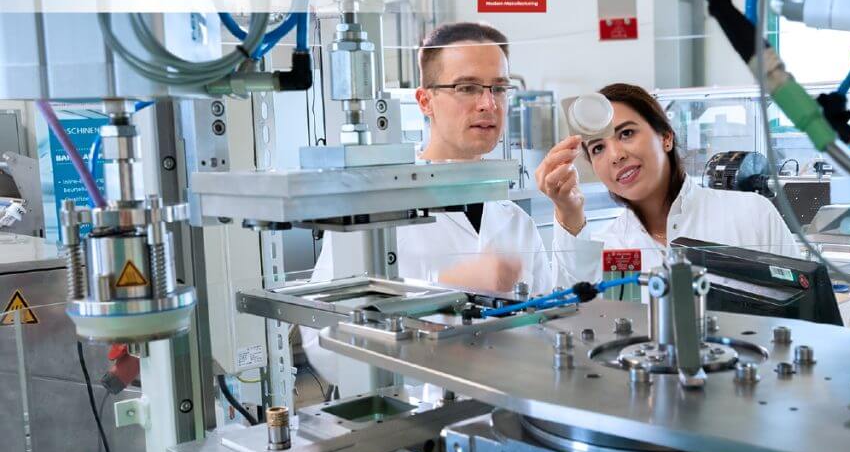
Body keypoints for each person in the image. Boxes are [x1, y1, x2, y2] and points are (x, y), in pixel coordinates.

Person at [303, 23, 593, 390]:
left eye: (498, 88)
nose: (488, 104)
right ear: (425, 101)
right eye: (467, 87)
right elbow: (322, 345)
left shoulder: (515, 221)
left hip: (507, 411)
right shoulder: (375, 213)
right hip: (413, 417)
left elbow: (560, 320)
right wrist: (445, 293)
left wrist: (569, 215)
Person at [536, 83, 800, 285]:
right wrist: (568, 212)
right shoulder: (610, 246)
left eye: (626, 133)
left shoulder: (752, 214)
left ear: (666, 137)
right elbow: (575, 312)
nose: (615, 156)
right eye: (597, 148)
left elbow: (804, 309)